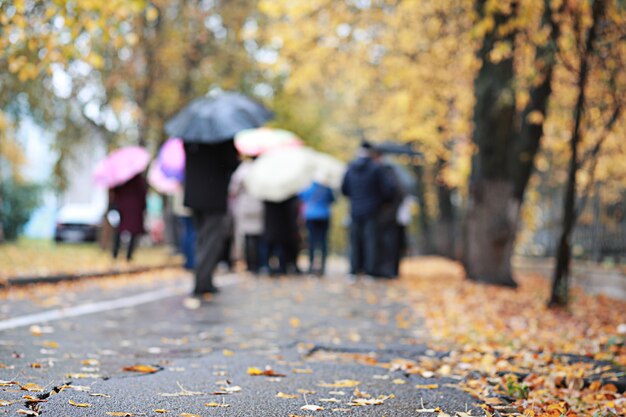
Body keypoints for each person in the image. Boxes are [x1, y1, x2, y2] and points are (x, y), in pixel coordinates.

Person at [184, 140, 239, 295]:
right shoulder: (222, 138)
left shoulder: (189, 136)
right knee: (211, 240)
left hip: (194, 195)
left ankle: (204, 279)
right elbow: (231, 163)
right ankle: (202, 280)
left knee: (201, 238)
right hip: (214, 195)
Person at [341, 141, 395, 278]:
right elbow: (387, 190)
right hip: (372, 211)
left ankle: (353, 270)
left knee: (354, 242)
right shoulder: (376, 168)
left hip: (354, 210)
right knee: (371, 242)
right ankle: (370, 271)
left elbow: (344, 189)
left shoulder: (350, 168)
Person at [229, 159, 266, 274]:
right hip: (258, 205)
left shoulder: (241, 171)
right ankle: (259, 263)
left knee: (247, 236)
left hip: (244, 205)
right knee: (258, 236)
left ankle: (250, 263)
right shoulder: (261, 170)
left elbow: (232, 190)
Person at [299, 181, 335, 276]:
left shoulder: (308, 187)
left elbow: (301, 197)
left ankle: (311, 266)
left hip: (311, 216)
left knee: (311, 242)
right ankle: (322, 266)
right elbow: (332, 199)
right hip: (324, 216)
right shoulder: (326, 187)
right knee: (323, 242)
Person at [110, 173, 148, 261]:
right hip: (134, 208)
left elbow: (115, 190)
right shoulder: (137, 178)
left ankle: (115, 252)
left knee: (119, 230)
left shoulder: (120, 177)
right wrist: (143, 206)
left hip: (122, 206)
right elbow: (142, 192)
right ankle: (128, 255)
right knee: (132, 231)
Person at [263, 196, 301, 275]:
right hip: (281, 229)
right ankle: (281, 268)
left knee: (271, 249)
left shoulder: (267, 199)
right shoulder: (286, 199)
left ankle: (269, 267)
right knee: (280, 249)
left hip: (271, 228)